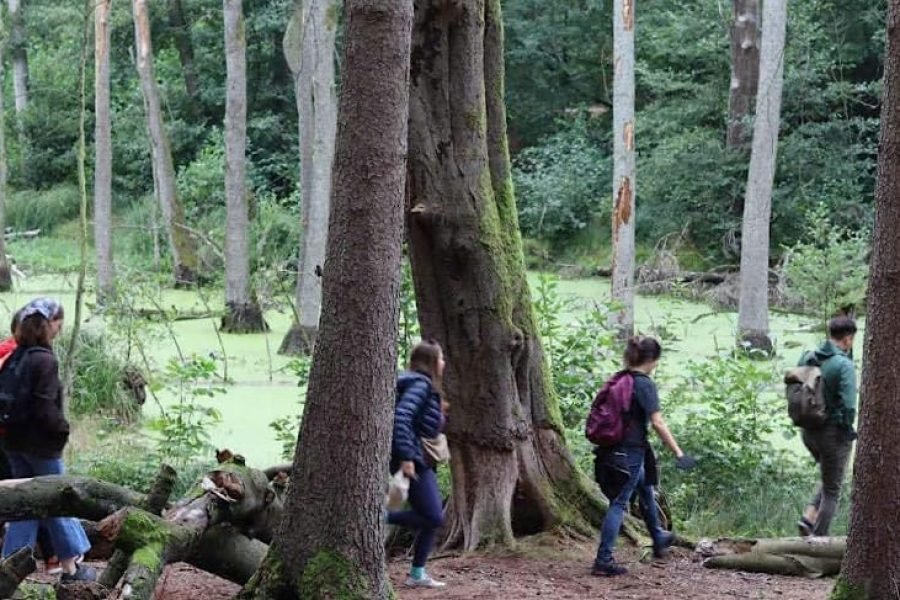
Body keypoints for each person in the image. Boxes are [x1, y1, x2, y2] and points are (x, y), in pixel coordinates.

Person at [0, 298, 95, 582]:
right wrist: (62, 430)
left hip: (13, 444)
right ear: (47, 325)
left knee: (25, 505)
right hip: (41, 447)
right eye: (58, 323)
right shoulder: (44, 359)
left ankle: (10, 567)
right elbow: (44, 407)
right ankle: (71, 567)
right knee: (58, 501)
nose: (60, 329)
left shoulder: (15, 356)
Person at [592, 336, 695, 577]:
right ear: (653, 360)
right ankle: (603, 559)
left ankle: (658, 536)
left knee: (646, 490)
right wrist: (678, 452)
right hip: (629, 453)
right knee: (618, 504)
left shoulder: (620, 379)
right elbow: (657, 422)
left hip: (618, 450)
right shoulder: (644, 384)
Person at [386, 339, 446, 589]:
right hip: (412, 460)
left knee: (432, 517)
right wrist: (407, 457)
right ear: (431, 362)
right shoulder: (420, 385)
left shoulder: (420, 385)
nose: (444, 363)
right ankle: (378, 517)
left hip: (420, 460)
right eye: (441, 358)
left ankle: (418, 573)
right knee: (433, 516)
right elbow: (401, 418)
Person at [796, 316, 858, 537]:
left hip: (807, 432)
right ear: (849, 339)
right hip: (831, 434)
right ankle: (818, 540)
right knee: (833, 490)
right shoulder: (843, 365)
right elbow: (850, 405)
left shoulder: (808, 356)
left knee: (830, 476)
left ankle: (808, 518)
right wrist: (847, 429)